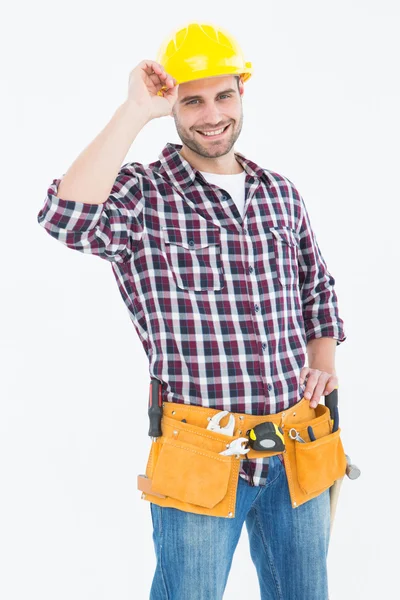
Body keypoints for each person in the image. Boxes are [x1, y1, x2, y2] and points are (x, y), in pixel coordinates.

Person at [37, 22, 346, 600]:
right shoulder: (142, 195)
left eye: (222, 95)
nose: (211, 114)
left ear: (242, 92)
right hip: (200, 450)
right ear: (171, 107)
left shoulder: (279, 191)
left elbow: (316, 285)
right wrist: (134, 110)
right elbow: (65, 218)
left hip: (299, 443)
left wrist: (322, 359)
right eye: (191, 100)